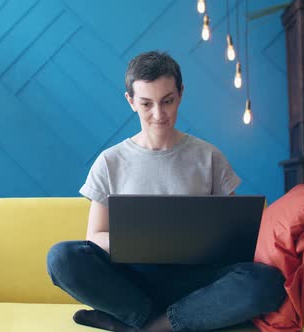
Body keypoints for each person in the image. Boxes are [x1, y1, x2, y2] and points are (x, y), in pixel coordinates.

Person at [46, 51, 286, 332]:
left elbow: (235, 236)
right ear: (131, 101)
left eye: (167, 101)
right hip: (134, 282)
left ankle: (144, 327)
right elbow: (95, 237)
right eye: (147, 104)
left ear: (181, 94)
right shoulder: (110, 162)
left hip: (197, 282)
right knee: (61, 258)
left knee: (265, 282)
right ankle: (162, 321)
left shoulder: (208, 156)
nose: (159, 114)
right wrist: (143, 242)